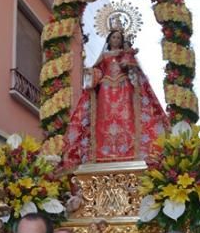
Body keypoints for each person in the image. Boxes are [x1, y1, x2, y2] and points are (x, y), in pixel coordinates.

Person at [63, 28, 169, 167]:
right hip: (105, 90)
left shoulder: (125, 53)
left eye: (119, 38)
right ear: (109, 40)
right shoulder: (104, 55)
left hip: (124, 88)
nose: (116, 40)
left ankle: (128, 152)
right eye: (114, 37)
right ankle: (103, 153)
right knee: (104, 118)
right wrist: (91, 72)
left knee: (125, 117)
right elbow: (98, 70)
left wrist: (129, 61)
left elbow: (134, 70)